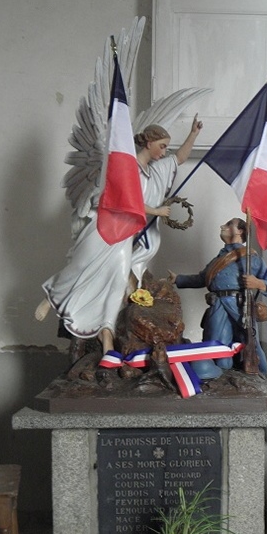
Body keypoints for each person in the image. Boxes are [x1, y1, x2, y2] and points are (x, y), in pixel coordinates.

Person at [35, 116, 203, 357]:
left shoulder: (153, 170)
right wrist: (155, 211)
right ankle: (51, 299)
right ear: (149, 143)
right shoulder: (127, 165)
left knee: (117, 281)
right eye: (163, 146)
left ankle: (107, 336)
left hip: (126, 235)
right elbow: (123, 200)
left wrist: (193, 134)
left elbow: (180, 159)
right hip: (106, 226)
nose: (165, 152)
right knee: (81, 266)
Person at [167, 217, 267, 376]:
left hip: (240, 307)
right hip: (218, 305)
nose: (223, 226)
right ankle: (221, 375)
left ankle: (261, 375)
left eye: (229, 225)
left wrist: (258, 283)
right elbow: (203, 278)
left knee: (251, 344)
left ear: (240, 231)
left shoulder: (251, 258)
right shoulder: (219, 259)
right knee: (216, 345)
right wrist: (178, 279)